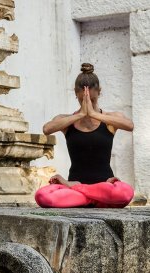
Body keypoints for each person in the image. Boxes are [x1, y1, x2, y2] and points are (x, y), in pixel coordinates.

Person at [35, 63, 134, 208]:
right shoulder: (67, 121)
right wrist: (81, 114)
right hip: (76, 191)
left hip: (104, 186)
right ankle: (94, 197)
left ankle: (88, 195)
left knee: (125, 193)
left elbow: (130, 125)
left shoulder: (110, 119)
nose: (87, 102)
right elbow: (47, 129)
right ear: (76, 93)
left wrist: (94, 114)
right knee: (42, 196)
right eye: (82, 99)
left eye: (91, 99)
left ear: (99, 92)